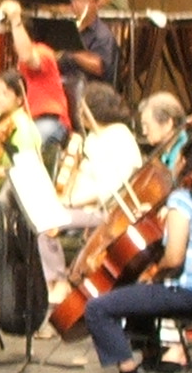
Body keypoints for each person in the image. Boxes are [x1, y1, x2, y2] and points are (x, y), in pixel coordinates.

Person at [83, 134, 192, 373]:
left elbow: (174, 258)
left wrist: (155, 272)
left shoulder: (181, 200)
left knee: (96, 308)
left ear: (183, 162)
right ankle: (152, 365)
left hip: (184, 294)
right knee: (138, 298)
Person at [43, 83, 145, 282]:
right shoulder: (94, 136)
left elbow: (108, 189)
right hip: (83, 205)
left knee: (46, 221)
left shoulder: (118, 136)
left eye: (83, 109)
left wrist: (70, 203)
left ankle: (57, 281)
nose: (79, 113)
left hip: (104, 210)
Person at [0, 0, 70, 156]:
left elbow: (27, 55)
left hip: (49, 121)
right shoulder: (12, 63)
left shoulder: (43, 52)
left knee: (25, 151)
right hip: (21, 121)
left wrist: (15, 19)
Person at [62, 0, 117, 91]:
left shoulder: (102, 34)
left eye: (84, 0)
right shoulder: (67, 28)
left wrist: (71, 51)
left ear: (96, 4)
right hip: (64, 85)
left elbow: (99, 67)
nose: (78, 4)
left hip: (90, 91)